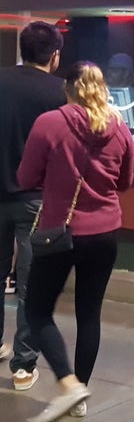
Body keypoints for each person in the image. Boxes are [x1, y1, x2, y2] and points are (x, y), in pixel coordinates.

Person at [18, 61, 134, 422]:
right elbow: (125, 182)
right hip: (106, 232)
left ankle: (69, 384)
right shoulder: (120, 127)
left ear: (66, 88)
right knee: (89, 314)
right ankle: (80, 395)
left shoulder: (50, 123)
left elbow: (25, 177)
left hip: (60, 231)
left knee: (38, 310)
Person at [0, 21, 66, 391]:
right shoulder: (60, 92)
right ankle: (23, 367)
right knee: (30, 285)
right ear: (54, 55)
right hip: (35, 200)